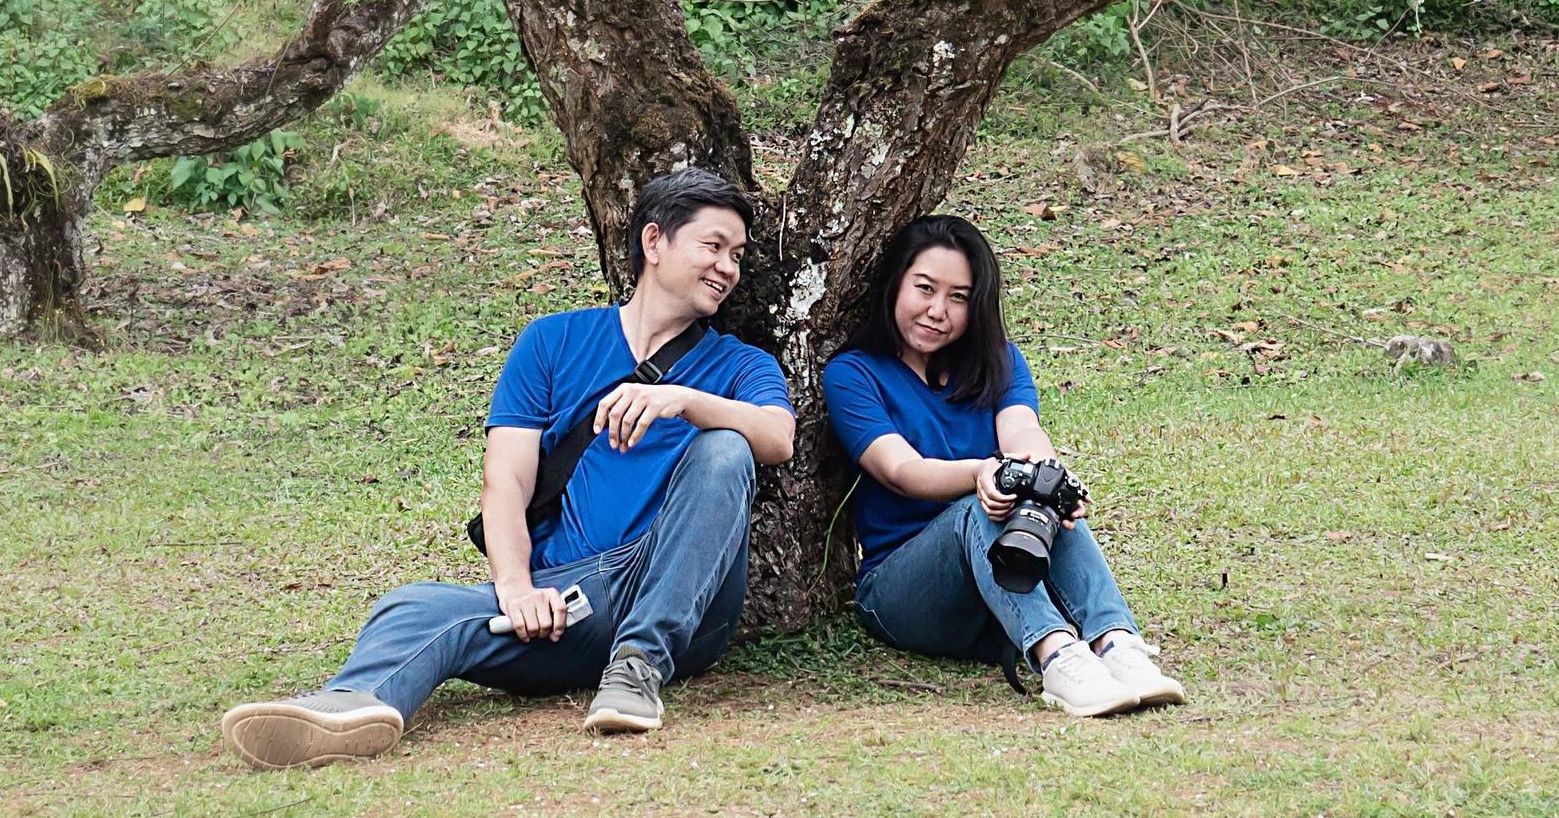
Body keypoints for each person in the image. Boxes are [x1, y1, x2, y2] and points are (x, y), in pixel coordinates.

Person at [219, 169, 797, 767]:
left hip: (681, 592)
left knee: (725, 447)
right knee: (415, 605)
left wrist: (686, 401)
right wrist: (517, 588)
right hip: (575, 596)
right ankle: (348, 708)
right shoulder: (552, 342)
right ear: (654, 243)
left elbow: (777, 439)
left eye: (737, 254)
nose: (728, 267)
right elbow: (508, 481)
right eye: (713, 246)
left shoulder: (738, 365)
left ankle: (640, 665)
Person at [824, 212, 1184, 718]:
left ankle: (1117, 644)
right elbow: (900, 471)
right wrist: (980, 473)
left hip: (996, 592)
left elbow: (1023, 433)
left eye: (958, 297)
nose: (937, 310)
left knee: (1042, 488)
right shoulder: (853, 373)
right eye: (924, 288)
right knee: (981, 504)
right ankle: (1057, 658)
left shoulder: (1000, 361)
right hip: (904, 593)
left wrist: (1047, 476)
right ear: (894, 283)